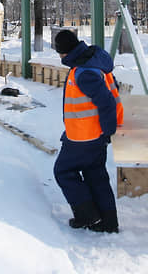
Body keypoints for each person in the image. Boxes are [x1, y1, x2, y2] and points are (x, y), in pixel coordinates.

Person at [52, 29, 123, 233]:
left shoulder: (84, 72)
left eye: (60, 53)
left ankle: (86, 215)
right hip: (95, 135)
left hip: (84, 137)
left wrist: (108, 131)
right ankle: (109, 221)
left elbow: (106, 102)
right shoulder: (93, 62)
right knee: (96, 175)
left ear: (65, 52)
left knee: (63, 171)